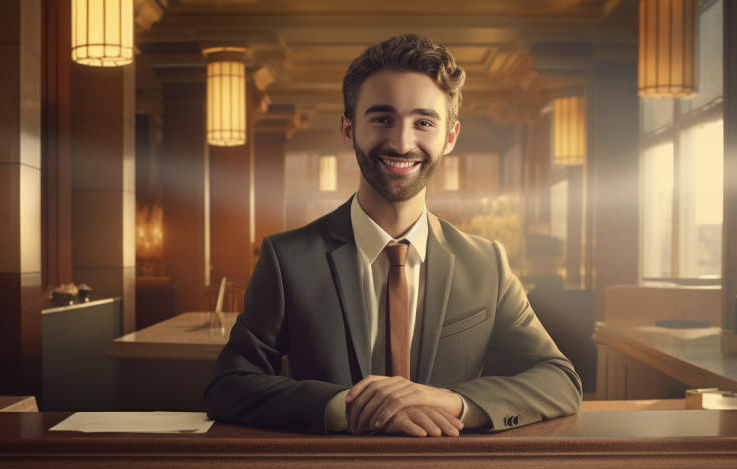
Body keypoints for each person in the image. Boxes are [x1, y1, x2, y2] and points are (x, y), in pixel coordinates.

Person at [205, 34, 582, 436]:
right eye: (382, 119)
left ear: (450, 136)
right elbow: (229, 386)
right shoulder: (287, 258)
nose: (402, 142)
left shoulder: (487, 263)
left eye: (423, 122)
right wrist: (345, 408)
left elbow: (559, 380)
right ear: (349, 129)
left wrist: (450, 401)